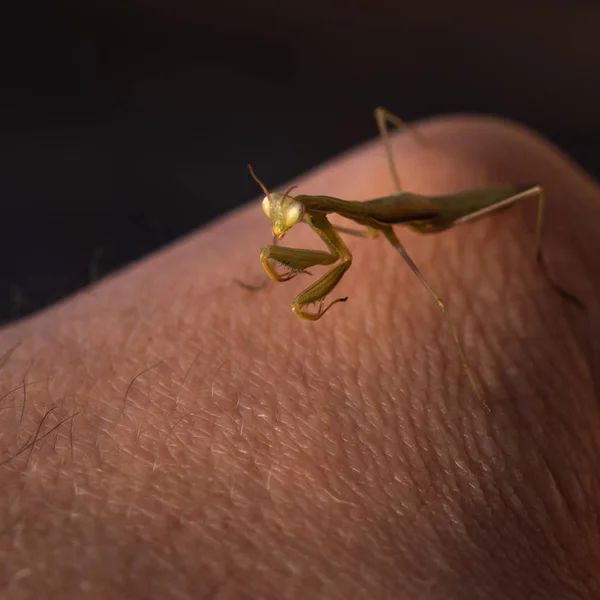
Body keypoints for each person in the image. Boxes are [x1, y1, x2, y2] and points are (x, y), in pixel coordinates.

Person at [1, 116, 599, 598]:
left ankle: (526, 299)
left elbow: (342, 258)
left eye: (283, 216)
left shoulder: (348, 217)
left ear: (303, 208)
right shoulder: (323, 217)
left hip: (438, 215)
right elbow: (330, 254)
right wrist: (273, 270)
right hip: (399, 207)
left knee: (449, 284)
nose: (281, 227)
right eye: (278, 218)